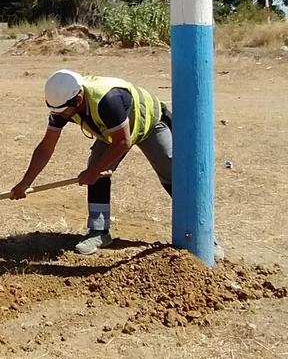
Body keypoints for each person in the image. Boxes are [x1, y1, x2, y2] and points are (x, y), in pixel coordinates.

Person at [10, 68, 182, 255]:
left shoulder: (108, 100)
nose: (59, 115)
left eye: (63, 111)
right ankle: (99, 232)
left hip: (150, 123)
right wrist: (25, 183)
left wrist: (94, 172)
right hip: (111, 130)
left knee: (174, 175)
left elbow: (123, 142)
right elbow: (46, 147)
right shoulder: (61, 107)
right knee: (97, 169)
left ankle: (197, 233)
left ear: (78, 100)